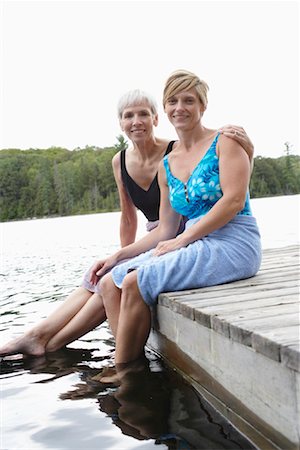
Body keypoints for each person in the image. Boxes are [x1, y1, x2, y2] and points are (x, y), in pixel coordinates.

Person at [0, 87, 255, 358]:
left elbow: (218, 176)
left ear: (156, 118)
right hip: (158, 235)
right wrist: (119, 255)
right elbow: (128, 216)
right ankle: (39, 337)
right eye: (128, 116)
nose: (136, 122)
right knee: (99, 276)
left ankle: (51, 345)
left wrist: (248, 151)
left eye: (143, 114)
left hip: (184, 232)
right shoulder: (120, 160)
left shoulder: (176, 149)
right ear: (120, 122)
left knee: (113, 280)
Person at [90, 69, 261, 371]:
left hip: (233, 242)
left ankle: (124, 374)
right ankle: (131, 359)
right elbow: (166, 229)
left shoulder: (225, 141)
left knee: (134, 281)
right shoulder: (167, 163)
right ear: (165, 109)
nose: (179, 107)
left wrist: (182, 240)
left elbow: (234, 201)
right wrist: (118, 255)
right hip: (195, 241)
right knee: (110, 281)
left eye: (189, 100)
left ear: (202, 106)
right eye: (172, 101)